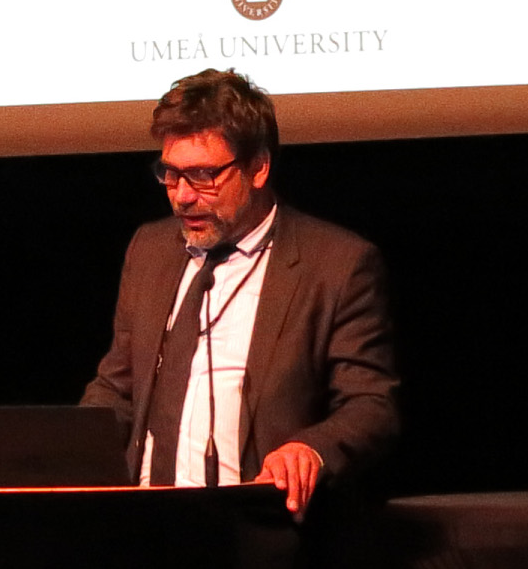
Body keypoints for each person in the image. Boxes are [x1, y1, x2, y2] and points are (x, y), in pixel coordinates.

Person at [81, 68, 399, 519]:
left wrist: (310, 449)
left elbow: (371, 404)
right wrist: (64, 453)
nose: (182, 196)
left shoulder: (336, 264)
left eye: (202, 175)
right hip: (144, 525)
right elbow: (117, 388)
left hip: (258, 526)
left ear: (258, 167)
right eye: (170, 174)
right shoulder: (149, 249)